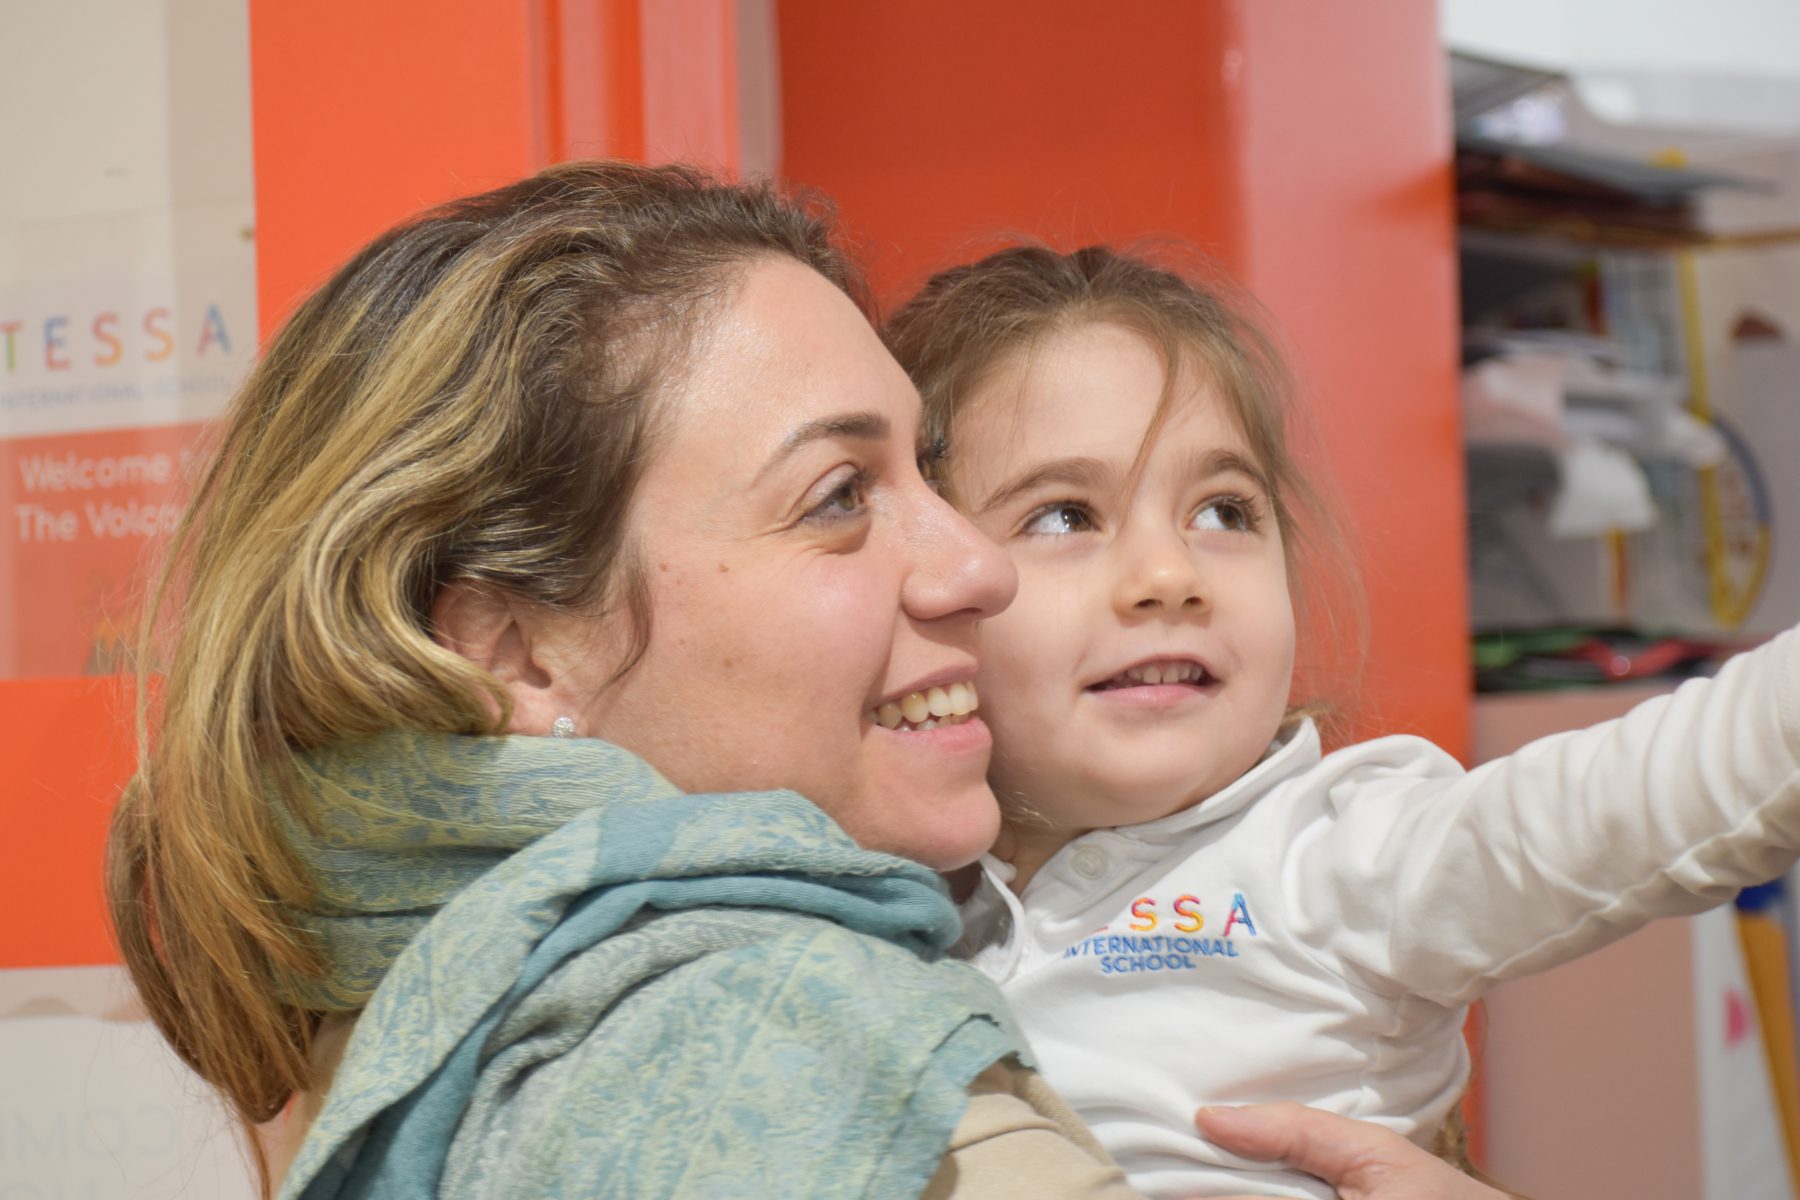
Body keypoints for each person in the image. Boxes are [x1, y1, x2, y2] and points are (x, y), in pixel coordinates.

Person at [107, 161, 1520, 1200]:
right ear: (518, 654)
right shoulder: (835, 1075)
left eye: (931, 472)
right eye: (842, 495)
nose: (977, 566)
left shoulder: (395, 990)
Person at [884, 242, 1800, 1199]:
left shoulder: (1340, 849)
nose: (1169, 576)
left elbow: (1651, 794)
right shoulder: (889, 898)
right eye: (1066, 516)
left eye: (1224, 510)